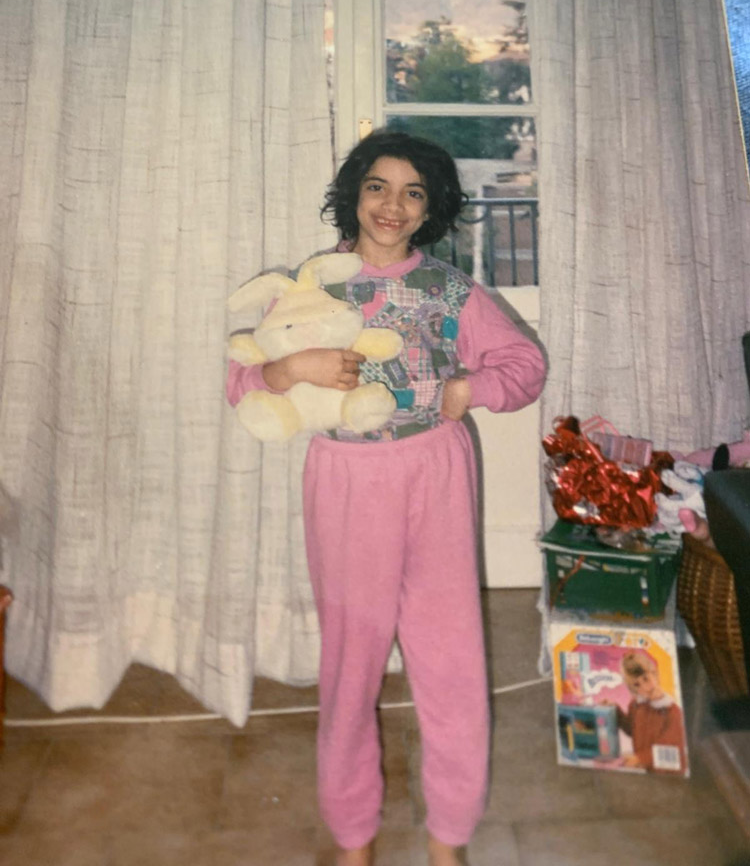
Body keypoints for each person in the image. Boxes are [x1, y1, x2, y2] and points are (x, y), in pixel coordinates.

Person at [226, 129, 547, 866]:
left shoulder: (450, 289)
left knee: (450, 655)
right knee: (352, 660)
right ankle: (353, 836)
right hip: (345, 480)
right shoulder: (311, 285)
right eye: (378, 186)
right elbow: (241, 383)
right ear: (355, 194)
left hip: (435, 471)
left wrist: (470, 389)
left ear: (430, 209)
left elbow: (525, 364)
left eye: (412, 192)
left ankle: (449, 837)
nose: (392, 205)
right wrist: (291, 369)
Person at [615, 651, 685, 772]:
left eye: (646, 679)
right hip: (646, 769)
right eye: (637, 685)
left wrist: (640, 758)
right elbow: (632, 730)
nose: (644, 687)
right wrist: (616, 712)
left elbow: (671, 747)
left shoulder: (672, 711)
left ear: (654, 673)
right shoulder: (636, 706)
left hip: (668, 773)